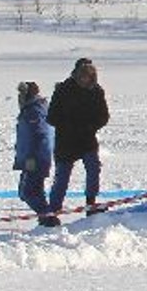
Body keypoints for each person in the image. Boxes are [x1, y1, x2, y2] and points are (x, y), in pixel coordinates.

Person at [46, 57, 109, 217]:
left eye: (87, 76)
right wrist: (68, 125)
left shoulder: (96, 91)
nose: (84, 79)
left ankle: (91, 203)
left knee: (93, 170)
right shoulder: (62, 90)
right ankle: (53, 212)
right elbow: (51, 117)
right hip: (65, 141)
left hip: (87, 139)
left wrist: (89, 126)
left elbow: (103, 116)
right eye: (81, 75)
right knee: (62, 177)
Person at [14, 80, 56, 226]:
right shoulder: (34, 109)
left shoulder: (34, 111)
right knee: (31, 191)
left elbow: (39, 135)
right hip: (33, 157)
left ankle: (48, 218)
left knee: (28, 192)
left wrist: (31, 158)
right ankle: (45, 217)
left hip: (34, 159)